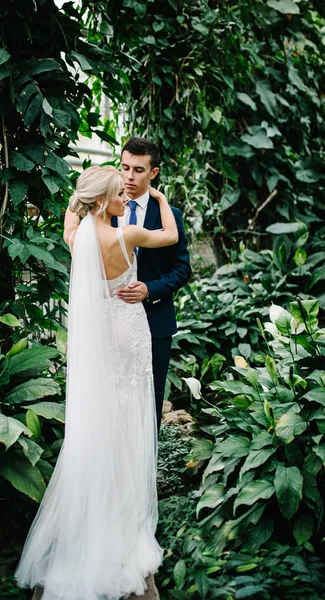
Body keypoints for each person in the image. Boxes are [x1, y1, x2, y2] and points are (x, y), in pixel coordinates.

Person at [15, 166, 179, 600]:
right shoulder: (126, 236)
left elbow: (72, 214)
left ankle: (97, 514)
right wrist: (159, 201)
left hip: (100, 342)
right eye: (117, 194)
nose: (125, 197)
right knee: (129, 421)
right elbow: (170, 238)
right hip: (128, 337)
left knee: (105, 421)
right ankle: (123, 520)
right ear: (102, 200)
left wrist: (84, 198)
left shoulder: (79, 238)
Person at [112, 138, 191, 432]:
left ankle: (146, 475)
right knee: (113, 399)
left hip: (155, 322)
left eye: (138, 170)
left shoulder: (171, 216)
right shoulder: (106, 210)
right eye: (125, 168)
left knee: (150, 402)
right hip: (112, 321)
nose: (129, 177)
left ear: (154, 173)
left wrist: (150, 289)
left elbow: (182, 269)